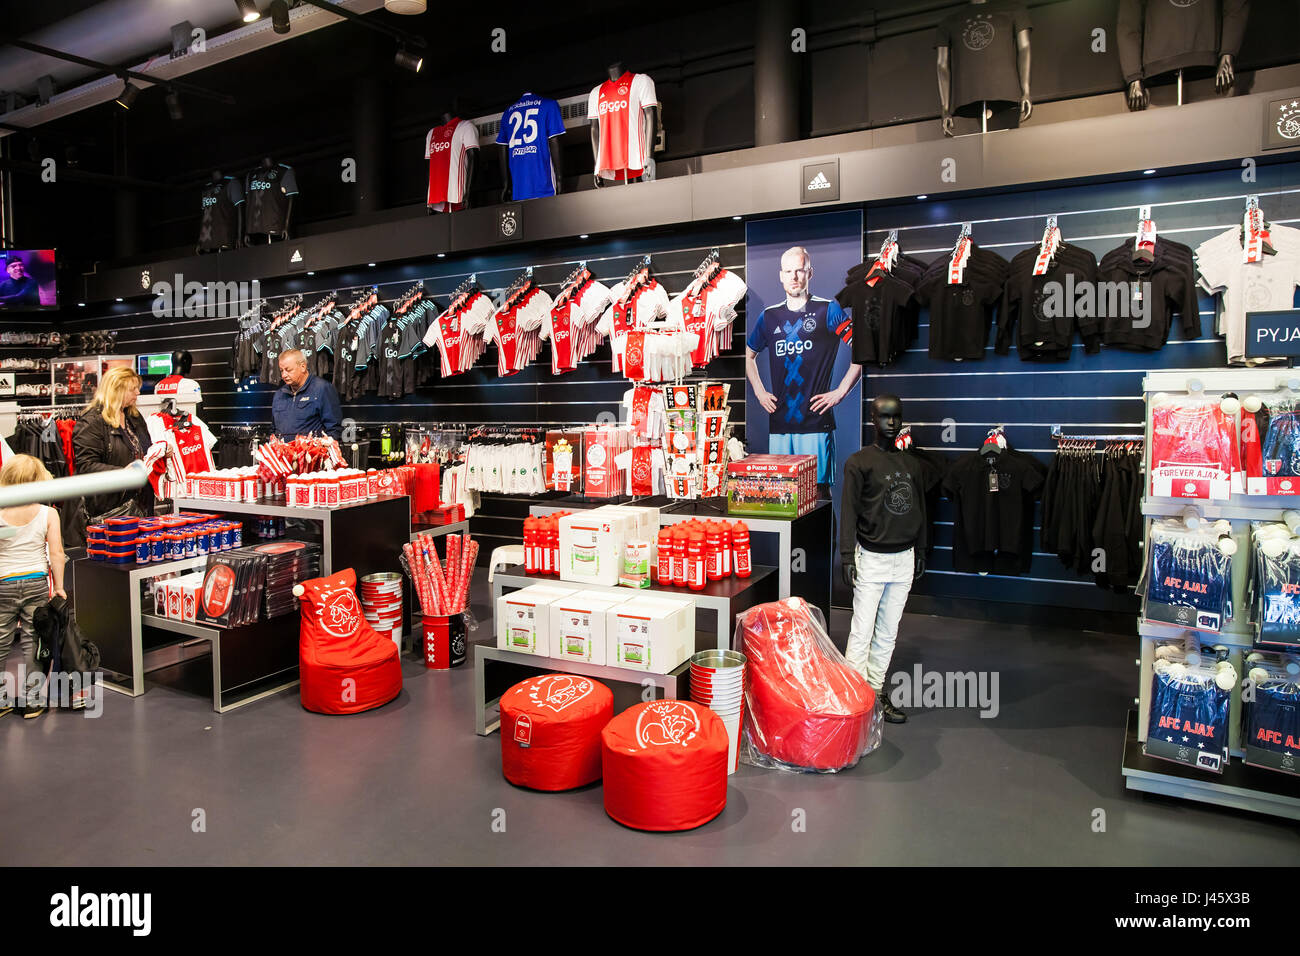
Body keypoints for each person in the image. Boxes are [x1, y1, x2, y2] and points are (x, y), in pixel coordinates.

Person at [839, 395, 938, 723]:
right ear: (873, 419)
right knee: (862, 629)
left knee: (888, 630)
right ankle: (855, 695)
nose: (892, 423)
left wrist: (921, 549)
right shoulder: (859, 462)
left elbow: (920, 509)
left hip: (904, 558)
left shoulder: (912, 464)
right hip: (871, 557)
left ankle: (877, 690)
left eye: (896, 417)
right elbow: (849, 511)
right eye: (885, 417)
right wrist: (845, 555)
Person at [746, 245, 861, 486]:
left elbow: (862, 350)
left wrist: (840, 392)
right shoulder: (769, 316)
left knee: (818, 496)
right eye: (788, 271)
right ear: (780, 275)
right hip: (779, 425)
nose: (794, 277)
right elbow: (749, 356)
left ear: (810, 273)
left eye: (800, 270)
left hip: (816, 424)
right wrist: (759, 391)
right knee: (783, 496)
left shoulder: (828, 309)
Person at [0, 454, 66, 719]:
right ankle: (33, 701)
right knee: (33, 642)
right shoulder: (48, 513)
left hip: (3, 583)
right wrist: (59, 587)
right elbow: (57, 553)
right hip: (36, 583)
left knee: (1, 642)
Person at [72, 366, 155, 521]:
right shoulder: (92, 422)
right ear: (116, 390)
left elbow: (145, 450)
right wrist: (123, 472)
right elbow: (86, 465)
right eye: (133, 389)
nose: (137, 393)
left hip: (140, 503)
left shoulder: (134, 417)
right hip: (110, 508)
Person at [272, 349, 342, 442]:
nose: (284, 375)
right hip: (283, 455)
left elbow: (334, 429)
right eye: (281, 370)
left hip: (311, 454)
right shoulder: (279, 395)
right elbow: (273, 430)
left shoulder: (322, 389)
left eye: (288, 370)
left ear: (303, 367)